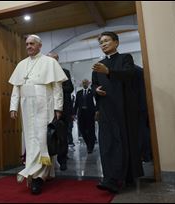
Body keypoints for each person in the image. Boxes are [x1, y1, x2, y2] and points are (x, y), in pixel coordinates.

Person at [9, 34, 68, 195]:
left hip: (44, 104)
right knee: (30, 140)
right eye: (27, 44)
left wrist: (58, 107)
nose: (28, 46)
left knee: (42, 140)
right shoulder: (21, 64)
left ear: (40, 46)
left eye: (32, 44)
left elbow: (57, 87)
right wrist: (13, 107)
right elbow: (16, 88)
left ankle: (38, 178)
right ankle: (35, 173)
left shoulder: (50, 62)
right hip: (26, 105)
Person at [92, 31, 143, 193]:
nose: (103, 44)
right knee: (107, 144)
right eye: (101, 42)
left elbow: (129, 75)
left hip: (123, 109)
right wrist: (96, 91)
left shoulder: (125, 58)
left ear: (116, 43)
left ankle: (119, 178)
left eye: (107, 41)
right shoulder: (98, 65)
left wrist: (108, 72)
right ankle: (109, 178)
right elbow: (95, 85)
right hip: (106, 110)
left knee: (122, 142)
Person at [47, 52, 74, 171]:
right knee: (48, 136)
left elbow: (70, 88)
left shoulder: (65, 72)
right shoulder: (44, 73)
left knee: (63, 137)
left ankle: (62, 160)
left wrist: (57, 87)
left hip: (63, 110)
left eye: (55, 59)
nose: (53, 61)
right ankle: (47, 163)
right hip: (47, 109)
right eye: (50, 59)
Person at [73, 79, 97, 154]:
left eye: (86, 82)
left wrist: (96, 112)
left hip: (90, 114)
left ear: (88, 83)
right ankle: (88, 143)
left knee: (91, 130)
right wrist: (73, 113)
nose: (84, 84)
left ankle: (91, 146)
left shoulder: (92, 92)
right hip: (81, 114)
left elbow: (95, 102)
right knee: (82, 129)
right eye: (83, 82)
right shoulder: (79, 93)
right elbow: (76, 104)